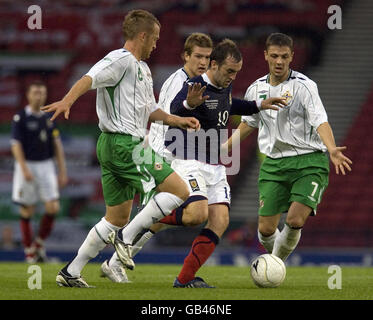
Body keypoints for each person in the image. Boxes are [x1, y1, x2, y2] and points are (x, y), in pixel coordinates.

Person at [41, 9, 200, 288]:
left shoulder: (142, 68)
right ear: (142, 35)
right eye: (155, 38)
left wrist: (178, 120)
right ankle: (126, 239)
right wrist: (67, 100)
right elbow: (89, 78)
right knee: (179, 191)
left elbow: (150, 110)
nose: (156, 44)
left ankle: (71, 271)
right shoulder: (120, 59)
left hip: (117, 145)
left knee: (116, 217)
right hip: (124, 144)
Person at [110, 38, 287, 288]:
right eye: (229, 72)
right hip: (188, 159)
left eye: (236, 73)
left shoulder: (223, 86)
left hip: (214, 164)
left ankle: (184, 280)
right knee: (196, 214)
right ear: (214, 65)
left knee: (220, 220)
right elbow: (174, 108)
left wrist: (258, 105)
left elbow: (228, 104)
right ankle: (145, 221)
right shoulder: (193, 85)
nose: (232, 78)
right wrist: (187, 105)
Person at [225, 33, 352, 261]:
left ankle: (275, 266)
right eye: (274, 56)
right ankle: (277, 263)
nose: (279, 61)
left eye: (284, 56)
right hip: (274, 164)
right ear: (265, 56)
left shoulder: (305, 87)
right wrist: (226, 147)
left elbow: (320, 120)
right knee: (265, 230)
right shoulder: (255, 89)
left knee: (294, 220)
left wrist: (331, 148)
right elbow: (249, 123)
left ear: (292, 56)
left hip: (309, 161)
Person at [11, 81, 68, 263]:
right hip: (27, 164)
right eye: (36, 93)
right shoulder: (20, 118)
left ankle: (39, 244)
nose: (39, 96)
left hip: (46, 165)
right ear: (28, 95)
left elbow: (57, 145)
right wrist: (24, 167)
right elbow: (15, 144)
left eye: (42, 93)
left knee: (53, 207)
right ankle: (29, 252)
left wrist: (62, 171)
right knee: (28, 209)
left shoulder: (48, 119)